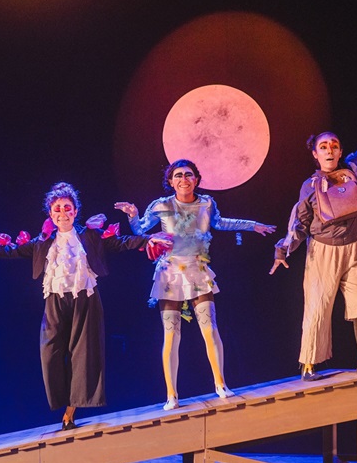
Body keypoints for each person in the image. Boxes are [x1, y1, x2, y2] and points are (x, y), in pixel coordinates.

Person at [0, 182, 166, 431]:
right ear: (50, 214)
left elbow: (121, 242)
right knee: (50, 353)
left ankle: (70, 411)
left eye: (67, 207)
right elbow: (12, 251)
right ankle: (63, 400)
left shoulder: (90, 236)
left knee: (82, 354)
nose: (63, 212)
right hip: (55, 299)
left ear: (75, 211)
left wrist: (148, 239)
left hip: (85, 298)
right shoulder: (43, 241)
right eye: (57, 208)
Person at [114, 161, 277, 410]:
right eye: (178, 175)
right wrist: (133, 215)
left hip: (198, 270)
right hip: (170, 273)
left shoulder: (207, 203)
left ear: (196, 180)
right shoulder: (161, 205)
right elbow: (141, 229)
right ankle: (171, 395)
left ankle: (221, 384)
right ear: (171, 181)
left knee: (210, 329)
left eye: (188, 175)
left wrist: (252, 225)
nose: (184, 179)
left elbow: (221, 223)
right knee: (171, 334)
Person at [270, 90, 357, 381]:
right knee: (318, 305)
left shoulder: (353, 171)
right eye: (323, 146)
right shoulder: (310, 186)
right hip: (323, 251)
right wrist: (283, 250)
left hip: (356, 246)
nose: (330, 150)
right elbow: (299, 222)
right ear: (315, 153)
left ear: (340, 150)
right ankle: (309, 365)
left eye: (334, 145)